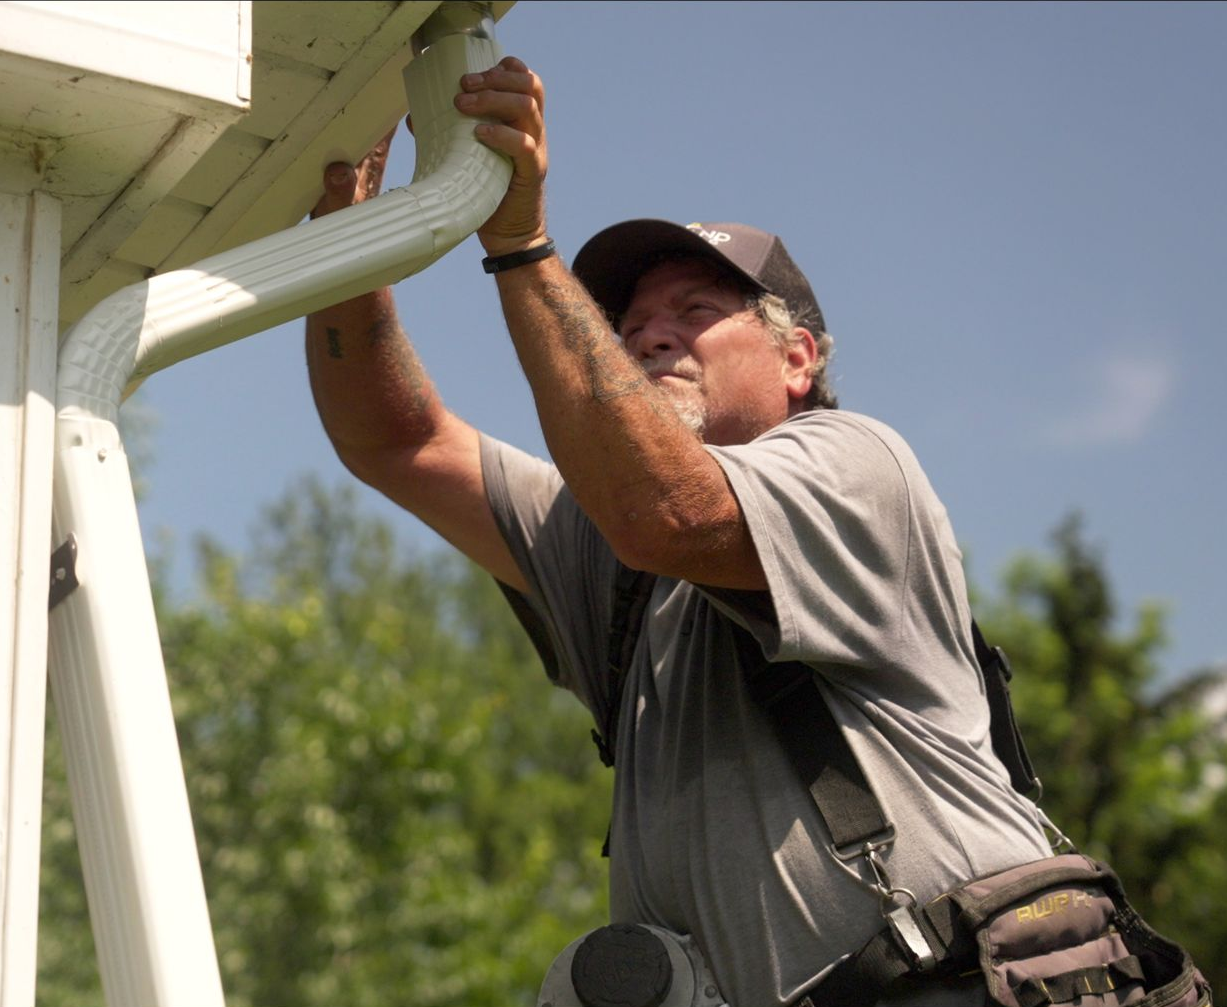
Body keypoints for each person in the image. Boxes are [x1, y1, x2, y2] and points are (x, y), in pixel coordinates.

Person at [303, 58, 1052, 1007]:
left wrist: (523, 243)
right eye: (629, 324)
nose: (650, 335)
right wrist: (351, 250)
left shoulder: (859, 466)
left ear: (797, 357)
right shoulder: (602, 548)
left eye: (695, 310)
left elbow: (670, 512)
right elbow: (397, 439)